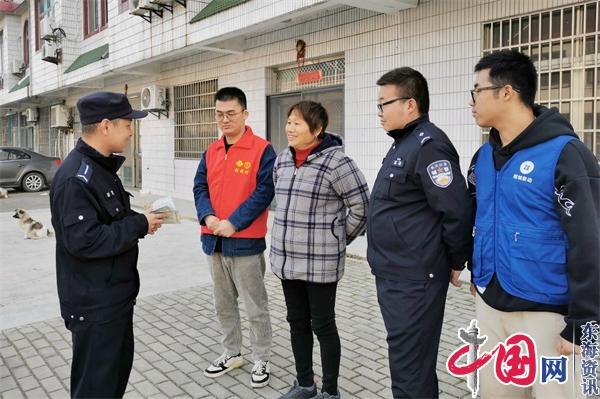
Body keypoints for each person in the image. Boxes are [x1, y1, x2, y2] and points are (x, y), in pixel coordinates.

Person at [468, 49, 599, 398]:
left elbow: (589, 240)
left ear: (507, 92)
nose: (472, 101)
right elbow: (482, 218)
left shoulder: (565, 154)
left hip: (547, 315)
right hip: (491, 307)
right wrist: (477, 268)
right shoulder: (483, 156)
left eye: (477, 90)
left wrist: (585, 322)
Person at [49, 91, 166, 398]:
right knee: (96, 389)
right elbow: (84, 240)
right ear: (105, 126)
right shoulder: (77, 177)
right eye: (127, 124)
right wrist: (139, 224)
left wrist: (140, 221)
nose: (131, 131)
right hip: (95, 306)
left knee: (111, 384)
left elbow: (107, 223)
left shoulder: (100, 168)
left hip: (113, 300)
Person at [367, 67, 473, 398]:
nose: (379, 111)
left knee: (411, 369)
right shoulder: (404, 144)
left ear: (410, 104)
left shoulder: (429, 146)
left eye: (384, 103)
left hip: (415, 278)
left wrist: (457, 258)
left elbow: (455, 208)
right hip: (396, 273)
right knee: (408, 363)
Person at [271, 101, 370, 399]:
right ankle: (305, 384)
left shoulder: (338, 163)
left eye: (297, 123)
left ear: (317, 130)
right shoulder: (282, 161)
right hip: (287, 262)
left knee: (323, 325)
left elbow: (362, 207)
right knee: (296, 322)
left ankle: (330, 390)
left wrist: (336, 238)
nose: (289, 128)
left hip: (320, 263)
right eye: (289, 121)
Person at [193, 86, 276, 388]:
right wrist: (208, 216)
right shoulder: (212, 150)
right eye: (219, 114)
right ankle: (232, 352)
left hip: (245, 242)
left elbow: (265, 191)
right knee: (223, 304)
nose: (224, 120)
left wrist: (235, 223)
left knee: (255, 306)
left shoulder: (262, 150)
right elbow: (199, 187)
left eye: (231, 114)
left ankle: (262, 357)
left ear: (245, 114)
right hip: (213, 239)